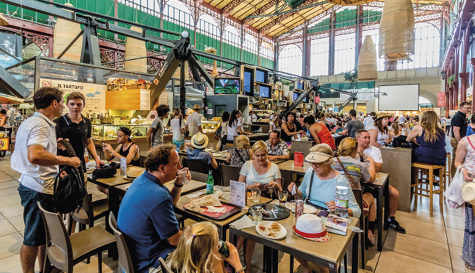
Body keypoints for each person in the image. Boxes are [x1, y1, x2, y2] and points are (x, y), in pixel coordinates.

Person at [11, 87, 81, 273]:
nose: (65, 107)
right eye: (63, 103)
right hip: (38, 189)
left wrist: (52, 151)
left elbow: (34, 152)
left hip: (35, 183)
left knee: (43, 236)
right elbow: (34, 155)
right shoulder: (41, 125)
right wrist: (68, 160)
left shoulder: (33, 122)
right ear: (54, 103)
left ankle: (45, 269)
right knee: (33, 238)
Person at [287, 144, 360, 273]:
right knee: (289, 240)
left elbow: (356, 211)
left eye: (318, 164)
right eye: (312, 163)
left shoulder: (340, 180)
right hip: (308, 215)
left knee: (317, 248)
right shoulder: (311, 172)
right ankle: (306, 267)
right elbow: (302, 194)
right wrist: (294, 191)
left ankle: (324, 269)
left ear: (328, 162)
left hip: (329, 219)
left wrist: (339, 208)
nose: (314, 167)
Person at [118, 144, 189, 273]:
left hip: (134, 256)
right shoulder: (158, 195)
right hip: (149, 263)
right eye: (176, 164)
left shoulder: (142, 180)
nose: (180, 167)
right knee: (203, 250)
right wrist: (200, 237)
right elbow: (175, 240)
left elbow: (170, 201)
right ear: (162, 167)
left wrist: (178, 184)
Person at [238, 140, 282, 271]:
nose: (260, 158)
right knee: (245, 228)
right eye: (257, 155)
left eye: (263, 155)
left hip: (267, 206)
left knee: (248, 228)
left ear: (267, 154)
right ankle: (236, 258)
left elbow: (281, 191)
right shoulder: (247, 165)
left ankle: (236, 259)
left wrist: (275, 186)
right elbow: (239, 186)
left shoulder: (274, 167)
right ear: (253, 155)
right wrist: (250, 187)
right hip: (249, 202)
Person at [355, 129, 406, 234]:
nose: (368, 140)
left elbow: (379, 168)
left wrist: (369, 159)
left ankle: (390, 219)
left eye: (369, 137)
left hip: (374, 181)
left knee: (394, 193)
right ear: (357, 139)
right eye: (365, 138)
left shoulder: (374, 150)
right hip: (357, 182)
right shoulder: (352, 149)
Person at [332, 137, 378, 246]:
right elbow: (370, 178)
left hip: (333, 201)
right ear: (354, 150)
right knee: (370, 196)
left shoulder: (331, 162)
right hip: (352, 205)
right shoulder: (359, 165)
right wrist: (371, 162)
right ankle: (369, 230)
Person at [168, 222, 245, 273]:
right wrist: (238, 266)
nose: (220, 245)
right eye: (217, 244)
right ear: (208, 256)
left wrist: (220, 260)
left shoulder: (178, 265)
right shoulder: (211, 268)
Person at [54, 92, 103, 170]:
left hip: (80, 165)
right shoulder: (57, 122)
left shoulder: (87, 122)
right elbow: (53, 147)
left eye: (79, 104)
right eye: (72, 104)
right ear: (67, 105)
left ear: (84, 105)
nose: (75, 107)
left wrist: (97, 159)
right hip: (63, 167)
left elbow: (89, 142)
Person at [454, 132, 475, 270]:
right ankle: (471, 257)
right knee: (472, 221)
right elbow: (458, 161)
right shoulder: (465, 142)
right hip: (472, 186)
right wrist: (463, 170)